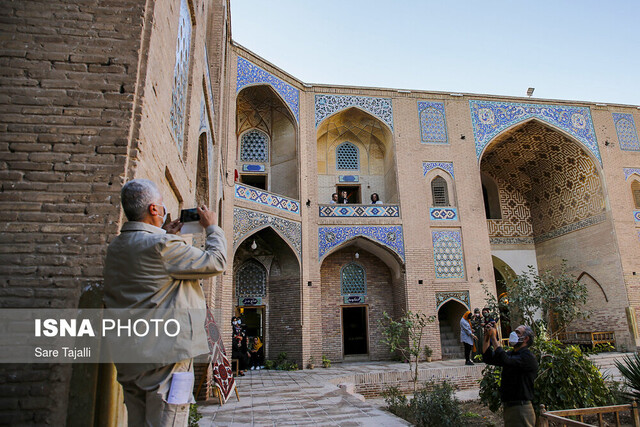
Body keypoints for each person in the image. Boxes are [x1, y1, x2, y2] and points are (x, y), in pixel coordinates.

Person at [103, 178, 227, 427]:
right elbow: (217, 262)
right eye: (160, 204)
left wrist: (167, 235)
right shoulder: (162, 246)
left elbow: (151, 277)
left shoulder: (116, 247)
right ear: (153, 209)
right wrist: (213, 227)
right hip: (167, 362)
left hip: (130, 357)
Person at [483, 323, 538, 427]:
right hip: (511, 407)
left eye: (518, 332)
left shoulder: (527, 357)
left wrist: (494, 338)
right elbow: (488, 358)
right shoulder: (512, 354)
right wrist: (487, 337)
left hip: (521, 408)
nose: (513, 334)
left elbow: (505, 360)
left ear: (526, 338)